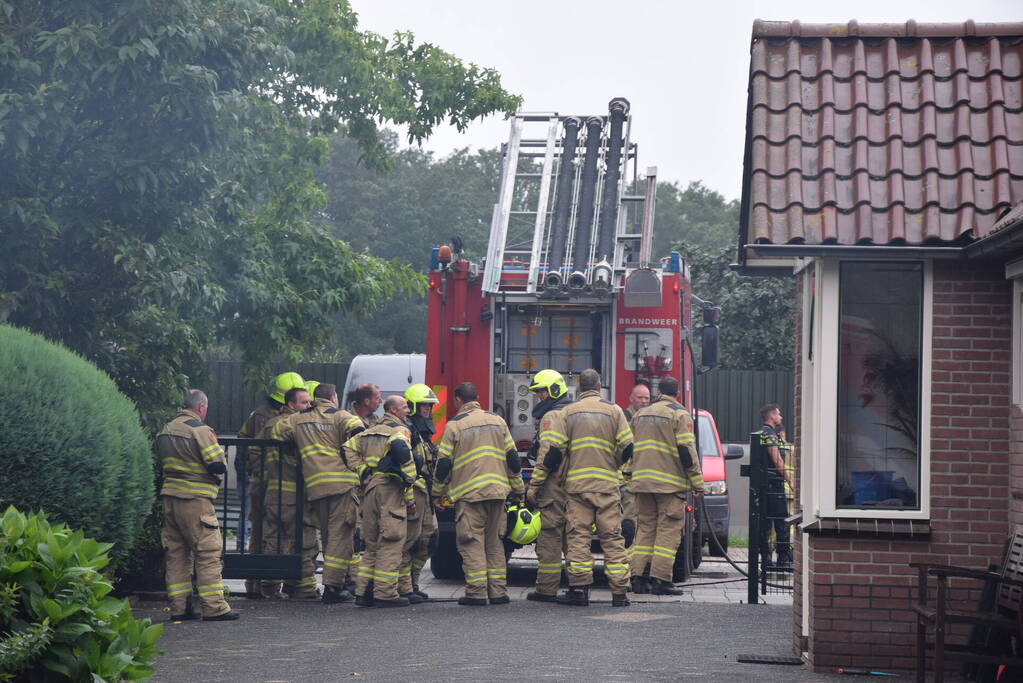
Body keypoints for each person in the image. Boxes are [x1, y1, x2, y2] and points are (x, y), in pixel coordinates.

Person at [432, 382, 524, 606]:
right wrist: (519, 489)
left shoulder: (455, 426)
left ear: (457, 400)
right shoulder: (497, 421)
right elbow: (513, 459)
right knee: (494, 543)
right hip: (497, 493)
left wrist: (437, 493)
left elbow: (444, 464)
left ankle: (476, 593)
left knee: (471, 542)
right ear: (478, 397)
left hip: (470, 496)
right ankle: (498, 592)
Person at [549, 369, 633, 607]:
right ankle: (619, 594)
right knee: (612, 538)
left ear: (579, 386)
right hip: (607, 486)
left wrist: (557, 473)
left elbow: (555, 450)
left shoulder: (568, 412)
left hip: (578, 487)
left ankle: (579, 591)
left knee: (578, 538)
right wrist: (615, 463)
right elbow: (628, 447)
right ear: (599, 386)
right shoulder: (615, 411)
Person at [273, 383, 365, 603]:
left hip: (316, 487)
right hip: (342, 484)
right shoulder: (340, 415)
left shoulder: (298, 419)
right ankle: (333, 588)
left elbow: (277, 432)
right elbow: (359, 430)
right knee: (340, 538)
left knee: (327, 536)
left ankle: (333, 584)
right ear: (333, 398)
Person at [156, 390, 238, 621]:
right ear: (201, 407)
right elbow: (217, 465)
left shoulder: (165, 430)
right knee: (207, 552)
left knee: (176, 554)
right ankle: (214, 608)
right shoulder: (200, 430)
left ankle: (180, 607)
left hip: (170, 498)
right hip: (195, 500)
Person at [627, 376, 705, 596]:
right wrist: (697, 482)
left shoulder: (640, 414)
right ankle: (661, 580)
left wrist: (629, 475)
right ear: (677, 393)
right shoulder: (679, 415)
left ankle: (639, 579)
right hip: (669, 486)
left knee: (644, 530)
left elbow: (629, 448)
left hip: (642, 483)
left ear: (658, 392)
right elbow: (686, 451)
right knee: (667, 532)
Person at [236, 371, 305, 598]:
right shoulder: (271, 418)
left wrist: (260, 471)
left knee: (262, 535)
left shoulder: (260, 415)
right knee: (271, 536)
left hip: (265, 486)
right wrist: (265, 471)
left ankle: (258, 585)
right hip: (274, 487)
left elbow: (247, 446)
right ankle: (264, 586)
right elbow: (251, 448)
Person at [349, 395, 417, 607]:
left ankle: (363, 593)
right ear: (394, 410)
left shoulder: (369, 431)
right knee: (391, 542)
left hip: (370, 490)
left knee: (371, 546)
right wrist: (411, 479)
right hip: (390, 490)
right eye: (404, 407)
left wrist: (362, 471)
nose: (408, 410)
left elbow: (347, 448)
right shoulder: (400, 431)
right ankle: (385, 594)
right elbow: (402, 452)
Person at [258, 386, 318, 599]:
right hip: (295, 496)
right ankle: (304, 588)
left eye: (310, 401)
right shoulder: (298, 425)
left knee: (273, 541)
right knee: (304, 541)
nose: (309, 406)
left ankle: (269, 588)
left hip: (273, 494)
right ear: (291, 404)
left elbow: (255, 453)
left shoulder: (270, 424)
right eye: (304, 402)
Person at [523, 369, 572, 602]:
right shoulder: (573, 412)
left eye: (542, 391)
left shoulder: (551, 417)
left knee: (550, 536)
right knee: (574, 537)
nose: (539, 396)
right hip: (574, 485)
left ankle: (546, 589)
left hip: (554, 486)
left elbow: (547, 456)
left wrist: (534, 486)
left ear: (554, 390)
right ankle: (578, 586)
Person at [401, 384, 441, 601]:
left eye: (429, 406)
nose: (427, 409)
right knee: (411, 541)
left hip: (425, 491)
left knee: (429, 539)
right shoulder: (407, 431)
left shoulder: (425, 434)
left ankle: (414, 584)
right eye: (424, 405)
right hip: (414, 491)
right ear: (413, 406)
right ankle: (404, 587)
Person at [757, 404, 794, 567]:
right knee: (781, 522)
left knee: (764, 524)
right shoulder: (770, 435)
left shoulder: (760, 434)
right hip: (774, 486)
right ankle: (783, 559)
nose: (781, 417)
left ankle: (765, 560)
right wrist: (790, 480)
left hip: (762, 486)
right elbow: (777, 459)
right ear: (772, 416)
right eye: (779, 414)